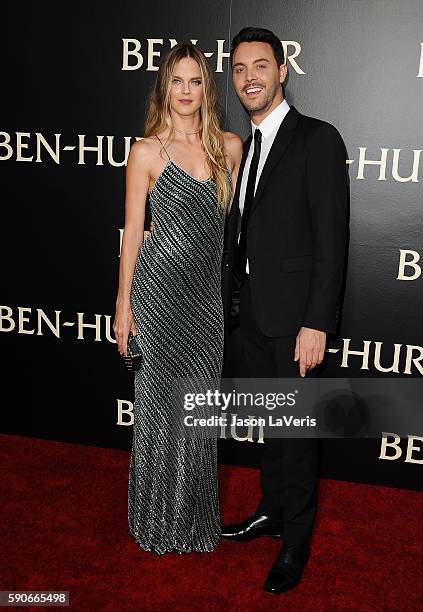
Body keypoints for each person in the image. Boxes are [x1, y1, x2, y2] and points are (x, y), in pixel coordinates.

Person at [221, 27, 349, 592]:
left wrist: (317, 321)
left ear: (282, 72)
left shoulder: (317, 140)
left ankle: (296, 540)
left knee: (295, 434)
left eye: (261, 66)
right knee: (273, 428)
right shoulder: (243, 147)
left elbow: (332, 240)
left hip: (297, 323)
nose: (250, 76)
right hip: (253, 319)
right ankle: (273, 512)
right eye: (241, 68)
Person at [113, 42, 243, 555]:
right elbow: (132, 235)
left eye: (194, 81)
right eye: (176, 81)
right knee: (157, 415)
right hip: (157, 297)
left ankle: (192, 520)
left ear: (204, 89)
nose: (185, 91)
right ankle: (155, 521)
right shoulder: (146, 152)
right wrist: (124, 305)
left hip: (205, 306)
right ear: (163, 87)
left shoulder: (228, 148)